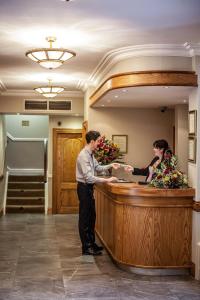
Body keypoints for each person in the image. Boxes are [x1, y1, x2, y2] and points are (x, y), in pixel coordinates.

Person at [76, 130, 120, 256]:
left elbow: (98, 167)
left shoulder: (90, 154)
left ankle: (91, 243)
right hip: (84, 188)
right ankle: (86, 247)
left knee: (91, 217)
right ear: (92, 141)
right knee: (85, 219)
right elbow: (89, 178)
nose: (100, 143)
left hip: (89, 188)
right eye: (98, 141)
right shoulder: (83, 155)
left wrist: (111, 164)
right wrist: (107, 180)